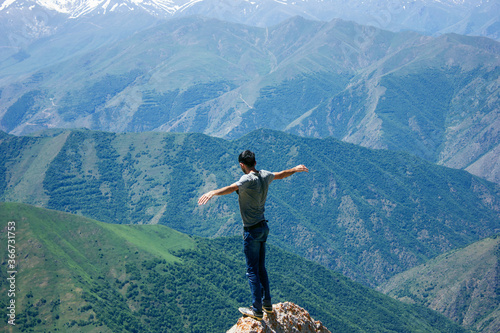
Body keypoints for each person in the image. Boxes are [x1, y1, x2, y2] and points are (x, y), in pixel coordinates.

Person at [198, 150, 309, 320]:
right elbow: (281, 175)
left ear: (242, 165)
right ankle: (267, 304)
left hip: (251, 230)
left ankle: (257, 309)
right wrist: (294, 169)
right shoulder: (265, 175)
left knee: (252, 271)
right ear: (255, 162)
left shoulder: (246, 179)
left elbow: (231, 188)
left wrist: (213, 192)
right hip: (263, 227)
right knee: (261, 267)